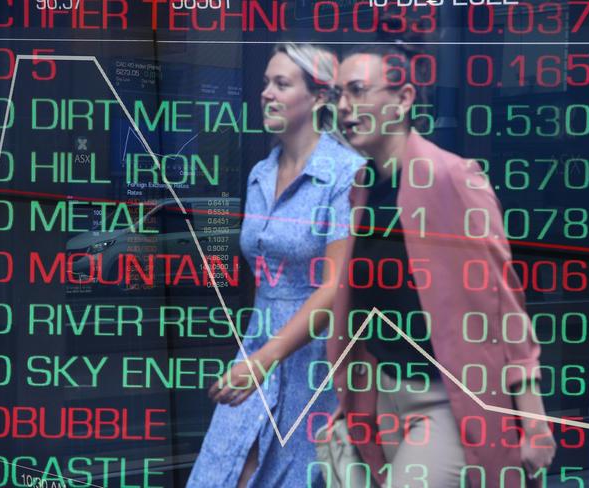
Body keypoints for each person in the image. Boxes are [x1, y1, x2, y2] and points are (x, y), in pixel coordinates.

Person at [327, 45, 557, 488]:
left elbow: (505, 303)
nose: (343, 107)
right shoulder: (361, 188)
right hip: (380, 399)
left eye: (356, 91)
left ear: (404, 98)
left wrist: (533, 420)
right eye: (339, 94)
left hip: (446, 404)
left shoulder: (455, 178)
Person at [186, 43, 365, 488]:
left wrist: (267, 357)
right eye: (266, 82)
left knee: (287, 474)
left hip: (315, 361)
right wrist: (257, 352)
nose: (266, 92)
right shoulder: (259, 174)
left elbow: (335, 288)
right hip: (257, 344)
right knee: (223, 470)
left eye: (281, 83)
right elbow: (262, 272)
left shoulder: (346, 175)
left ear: (319, 97)